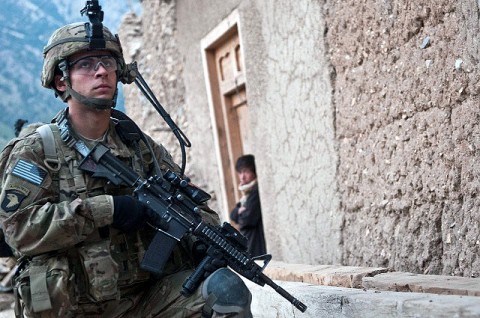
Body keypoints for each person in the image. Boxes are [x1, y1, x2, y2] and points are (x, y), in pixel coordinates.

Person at [0, 20, 252, 318]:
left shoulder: (140, 147)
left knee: (225, 291)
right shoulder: (38, 150)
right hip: (73, 309)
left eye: (107, 61)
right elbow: (18, 229)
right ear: (61, 80)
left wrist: (201, 240)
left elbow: (188, 204)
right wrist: (109, 209)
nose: (102, 71)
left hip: (147, 301)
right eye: (86, 64)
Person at [230, 155, 267, 257]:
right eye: (240, 173)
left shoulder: (255, 192)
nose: (242, 177)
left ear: (254, 172)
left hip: (256, 244)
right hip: (250, 244)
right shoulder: (246, 194)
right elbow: (233, 215)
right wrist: (239, 211)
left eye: (246, 172)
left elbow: (247, 220)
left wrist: (240, 214)